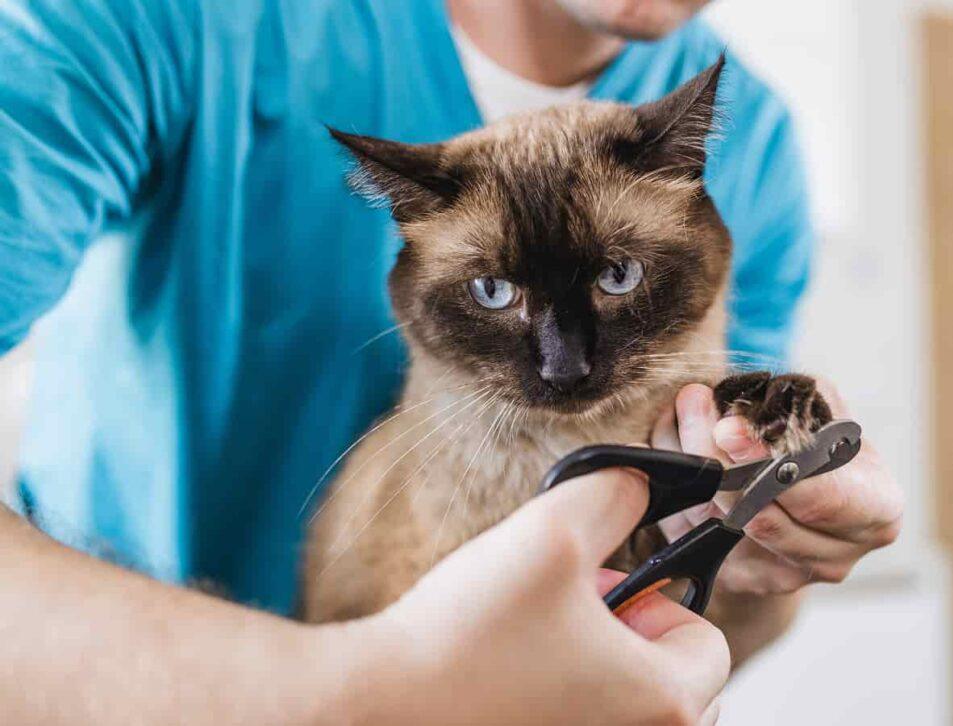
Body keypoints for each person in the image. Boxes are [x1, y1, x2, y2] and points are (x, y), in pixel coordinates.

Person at [0, 0, 903, 721]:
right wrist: (345, 697)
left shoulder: (762, 143)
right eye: (497, 296)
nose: (565, 365)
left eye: (620, 277)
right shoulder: (148, 17)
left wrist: (772, 557)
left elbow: (698, 606)